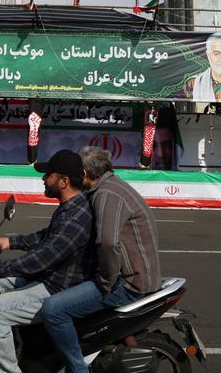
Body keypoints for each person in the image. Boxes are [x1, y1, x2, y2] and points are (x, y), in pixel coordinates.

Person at [0, 149, 95, 373]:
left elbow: (43, 258)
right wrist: (10, 242)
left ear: (64, 181)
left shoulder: (77, 217)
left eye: (48, 175)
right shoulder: (70, 208)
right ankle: (25, 349)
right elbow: (46, 237)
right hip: (52, 279)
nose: (43, 179)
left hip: (58, 288)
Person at [40, 146, 161, 373]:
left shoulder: (107, 194)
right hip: (133, 274)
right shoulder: (108, 187)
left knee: (53, 310)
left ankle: (78, 370)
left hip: (129, 283)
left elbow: (107, 243)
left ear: (84, 174)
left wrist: (105, 282)